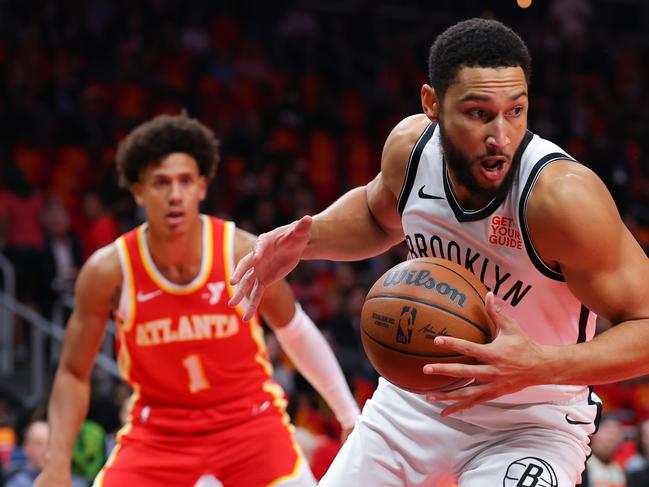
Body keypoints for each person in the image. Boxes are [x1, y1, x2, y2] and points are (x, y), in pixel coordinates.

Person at [229, 18, 649, 486]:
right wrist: (306, 239)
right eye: (478, 113)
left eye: (516, 111)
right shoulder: (411, 151)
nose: (501, 135)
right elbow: (375, 214)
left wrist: (540, 365)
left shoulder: (561, 200)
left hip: (529, 421)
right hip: (413, 403)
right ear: (432, 103)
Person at [34, 114, 359, 487]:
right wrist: (56, 463)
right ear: (138, 192)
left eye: (185, 181)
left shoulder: (241, 251)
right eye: (160, 183)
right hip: (159, 433)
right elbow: (74, 373)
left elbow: (295, 330)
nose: (175, 194)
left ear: (202, 188)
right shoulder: (109, 271)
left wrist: (348, 416)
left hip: (249, 424)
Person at [6, 421, 87, 487]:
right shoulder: (16, 482)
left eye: (50, 444)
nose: (46, 449)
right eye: (39, 443)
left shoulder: (76, 483)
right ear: (26, 447)